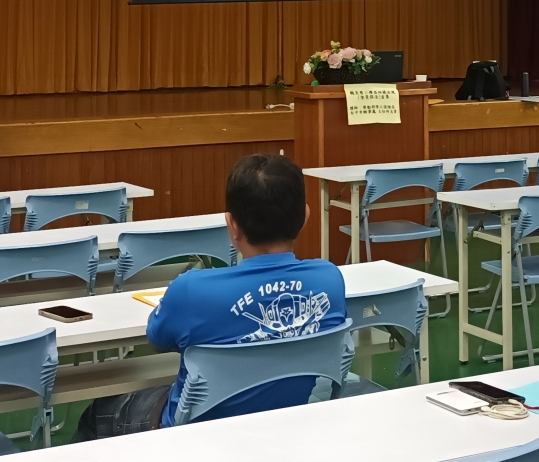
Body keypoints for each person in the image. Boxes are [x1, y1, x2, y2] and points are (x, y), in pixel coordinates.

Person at [75, 153, 346, 438]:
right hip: (283, 425)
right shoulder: (329, 280)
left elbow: (157, 339)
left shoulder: (191, 290)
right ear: (304, 217)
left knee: (99, 412)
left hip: (196, 434)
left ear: (232, 225)